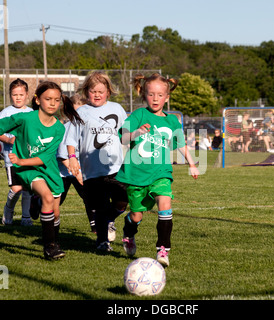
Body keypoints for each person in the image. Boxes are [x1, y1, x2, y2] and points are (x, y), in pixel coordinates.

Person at [0, 81, 82, 260]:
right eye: (48, 99)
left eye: (56, 100)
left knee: (55, 212)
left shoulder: (59, 128)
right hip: (27, 170)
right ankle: (49, 247)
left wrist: (21, 159)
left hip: (47, 169)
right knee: (47, 197)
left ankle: (53, 238)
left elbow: (44, 158)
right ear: (37, 100)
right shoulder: (25, 118)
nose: (52, 103)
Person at [116, 73, 199, 267]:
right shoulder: (139, 115)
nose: (155, 98)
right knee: (136, 215)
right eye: (151, 94)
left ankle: (163, 249)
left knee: (165, 203)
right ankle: (128, 233)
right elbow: (123, 138)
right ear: (144, 94)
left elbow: (181, 144)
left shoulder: (172, 122)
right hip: (136, 175)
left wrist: (192, 163)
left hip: (161, 173)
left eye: (160, 95)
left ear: (167, 98)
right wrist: (137, 132)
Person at [66, 71, 128, 252]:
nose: (97, 95)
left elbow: (126, 135)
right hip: (92, 169)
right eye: (93, 91)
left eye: (101, 91)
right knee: (100, 207)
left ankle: (109, 221)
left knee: (122, 201)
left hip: (116, 167)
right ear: (86, 92)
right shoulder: (81, 112)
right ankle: (102, 241)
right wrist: (72, 159)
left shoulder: (117, 109)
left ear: (108, 91)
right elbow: (71, 139)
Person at [0, 78, 33, 226]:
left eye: (21, 94)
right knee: (16, 188)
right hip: (11, 158)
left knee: (28, 188)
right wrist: (9, 140)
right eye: (14, 94)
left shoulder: (32, 113)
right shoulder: (5, 113)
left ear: (27, 95)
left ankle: (26, 217)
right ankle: (8, 209)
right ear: (10, 95)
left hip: (28, 159)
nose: (18, 97)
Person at [57, 93, 96, 233]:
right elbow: (62, 155)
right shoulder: (67, 128)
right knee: (58, 200)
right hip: (63, 172)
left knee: (89, 197)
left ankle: (95, 225)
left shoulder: (89, 128)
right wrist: (77, 173)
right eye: (76, 111)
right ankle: (36, 203)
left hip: (81, 171)